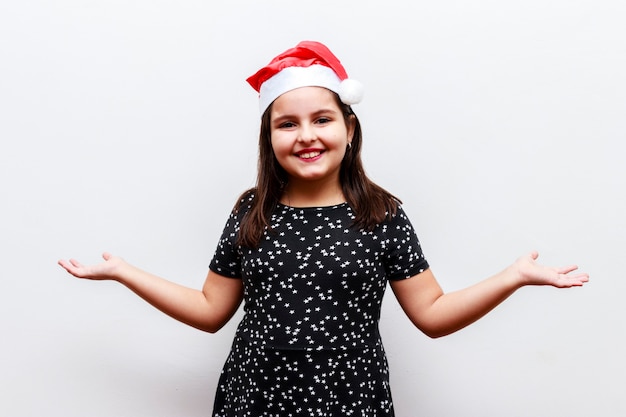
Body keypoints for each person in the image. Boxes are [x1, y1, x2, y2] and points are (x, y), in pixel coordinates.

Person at [58, 40, 589, 417]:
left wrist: (513, 276)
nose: (306, 135)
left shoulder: (381, 215)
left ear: (349, 127)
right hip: (255, 400)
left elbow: (430, 314)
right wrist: (122, 271)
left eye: (322, 119)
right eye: (287, 123)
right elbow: (210, 310)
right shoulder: (250, 212)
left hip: (350, 400)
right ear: (269, 137)